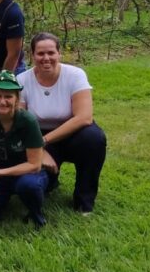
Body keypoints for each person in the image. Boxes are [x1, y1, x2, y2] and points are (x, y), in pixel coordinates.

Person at [18, 33, 107, 214]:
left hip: (71, 134)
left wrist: (43, 142)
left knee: (94, 138)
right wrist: (39, 149)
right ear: (32, 55)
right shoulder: (22, 80)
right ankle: (49, 180)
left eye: (51, 52)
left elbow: (84, 117)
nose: (46, 58)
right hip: (36, 134)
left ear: (59, 53)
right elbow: (19, 123)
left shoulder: (75, 75)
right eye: (40, 53)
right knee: (33, 185)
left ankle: (84, 201)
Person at [0, 71, 48, 227]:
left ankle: (35, 213)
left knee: (29, 186)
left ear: (17, 99)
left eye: (8, 96)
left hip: (26, 173)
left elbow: (35, 165)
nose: (2, 101)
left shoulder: (28, 121)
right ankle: (0, 197)